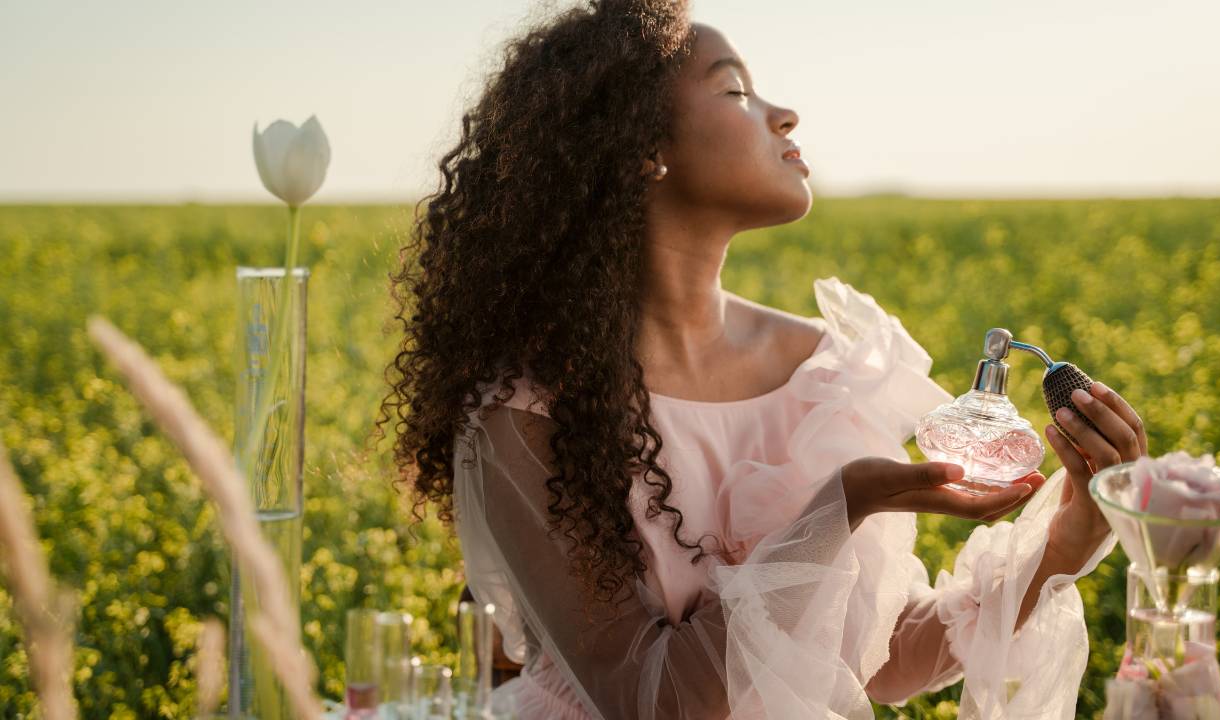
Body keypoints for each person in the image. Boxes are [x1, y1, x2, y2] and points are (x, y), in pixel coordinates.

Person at [376, 1, 1145, 717]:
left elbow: (886, 663)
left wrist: (1070, 537)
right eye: (735, 90)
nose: (783, 113)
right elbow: (651, 699)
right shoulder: (527, 409)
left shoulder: (829, 369)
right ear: (642, 148)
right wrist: (836, 509)